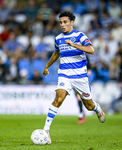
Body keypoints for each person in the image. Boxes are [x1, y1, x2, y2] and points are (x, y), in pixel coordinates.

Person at [42, 11, 105, 144]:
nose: (62, 25)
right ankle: (46, 131)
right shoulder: (58, 38)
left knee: (88, 106)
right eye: (60, 22)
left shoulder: (79, 35)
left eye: (65, 22)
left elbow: (91, 50)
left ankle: (97, 108)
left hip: (80, 76)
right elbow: (56, 53)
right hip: (64, 74)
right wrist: (47, 66)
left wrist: (74, 45)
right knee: (58, 98)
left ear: (72, 22)